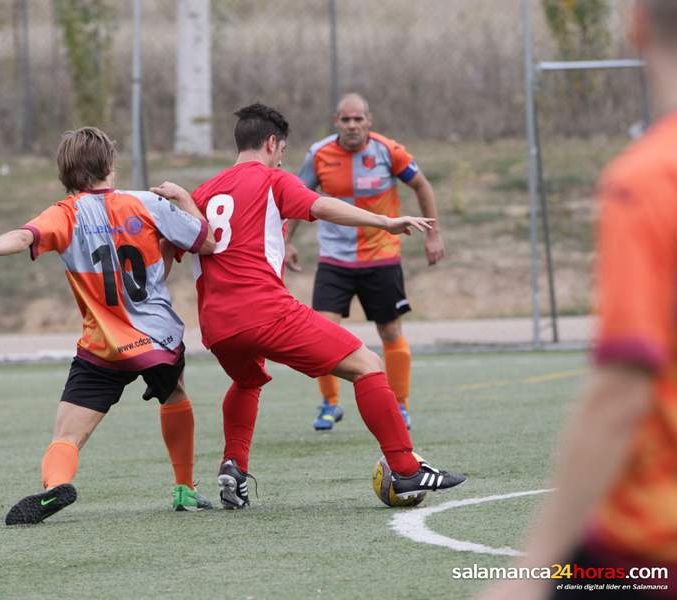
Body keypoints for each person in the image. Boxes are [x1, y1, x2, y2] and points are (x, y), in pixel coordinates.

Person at [153, 103, 466, 510]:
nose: (282, 156)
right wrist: (385, 223)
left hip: (216, 325)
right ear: (271, 143)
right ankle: (406, 469)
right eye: (281, 149)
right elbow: (321, 206)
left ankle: (233, 466)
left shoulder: (203, 193)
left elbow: (168, 247)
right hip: (265, 311)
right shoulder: (271, 179)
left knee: (248, 381)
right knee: (367, 365)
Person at [477, 1, 677, 597]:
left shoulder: (649, 179)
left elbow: (624, 384)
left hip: (651, 544)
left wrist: (532, 569)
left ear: (635, 26)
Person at [0, 126, 216, 524]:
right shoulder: (146, 203)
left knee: (67, 435)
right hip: (157, 339)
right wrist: (184, 199)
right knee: (174, 394)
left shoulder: (65, 214)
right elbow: (206, 240)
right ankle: (184, 489)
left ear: (66, 172)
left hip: (104, 347)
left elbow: (25, 236)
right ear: (110, 164)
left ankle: (56, 485)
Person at [285, 93, 443, 431]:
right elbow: (296, 198)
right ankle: (330, 404)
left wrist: (434, 234)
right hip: (335, 260)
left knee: (390, 330)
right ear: (336, 121)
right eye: (346, 119)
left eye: (358, 119)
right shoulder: (319, 154)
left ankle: (400, 405)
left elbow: (422, 185)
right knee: (322, 333)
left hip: (381, 258)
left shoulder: (388, 151)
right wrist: (285, 241)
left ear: (369, 120)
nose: (352, 125)